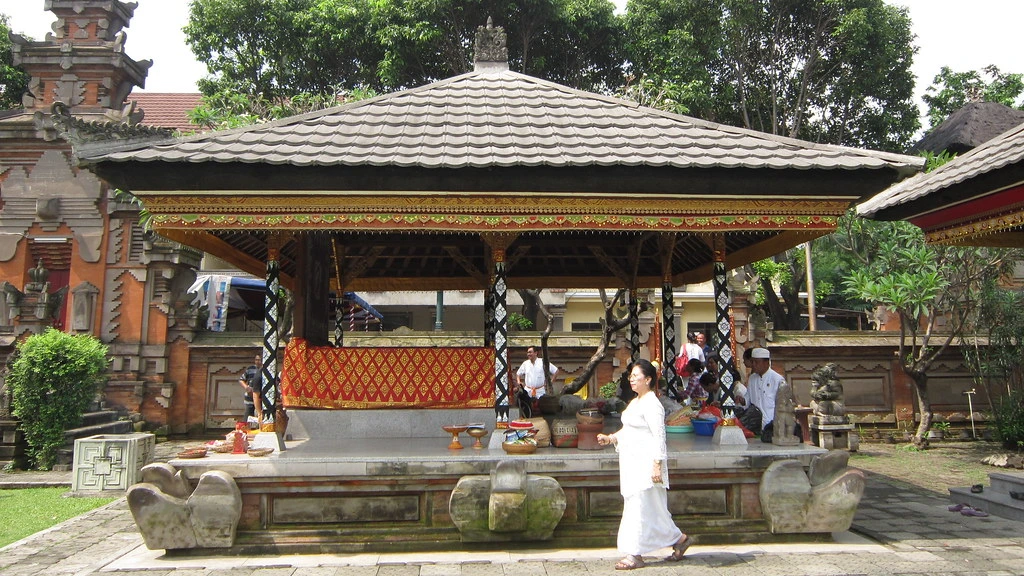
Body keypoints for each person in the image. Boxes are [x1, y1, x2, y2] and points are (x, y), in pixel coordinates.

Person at [597, 359, 692, 570]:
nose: (631, 379)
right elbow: (630, 429)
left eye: (636, 376)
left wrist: (657, 464)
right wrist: (611, 438)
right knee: (652, 510)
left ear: (648, 379)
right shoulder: (636, 402)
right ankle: (680, 539)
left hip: (646, 466)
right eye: (630, 376)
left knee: (639, 509)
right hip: (632, 463)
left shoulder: (652, 404)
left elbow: (659, 436)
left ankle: (635, 554)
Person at [746, 347, 787, 431]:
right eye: (752, 362)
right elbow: (747, 400)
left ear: (766, 363)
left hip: (772, 426)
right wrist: (742, 401)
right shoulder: (752, 378)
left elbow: (783, 405)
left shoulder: (778, 380)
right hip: (755, 426)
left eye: (756, 362)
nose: (753, 364)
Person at [239, 353, 263, 425]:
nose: (258, 362)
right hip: (250, 398)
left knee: (260, 417)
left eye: (259, 360)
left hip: (260, 398)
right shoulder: (250, 369)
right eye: (256, 360)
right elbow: (241, 379)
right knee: (247, 418)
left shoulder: (265, 370)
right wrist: (246, 387)